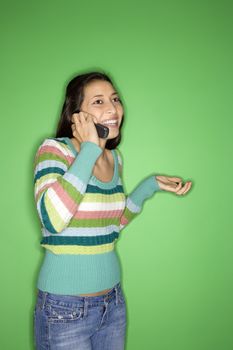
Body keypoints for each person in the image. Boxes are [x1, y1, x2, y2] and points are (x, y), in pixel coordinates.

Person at [33, 71, 192, 349]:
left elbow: (110, 226)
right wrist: (89, 151)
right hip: (64, 309)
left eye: (115, 99)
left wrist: (149, 186)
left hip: (113, 303)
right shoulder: (55, 150)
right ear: (76, 115)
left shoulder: (114, 158)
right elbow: (52, 218)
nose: (112, 108)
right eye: (98, 101)